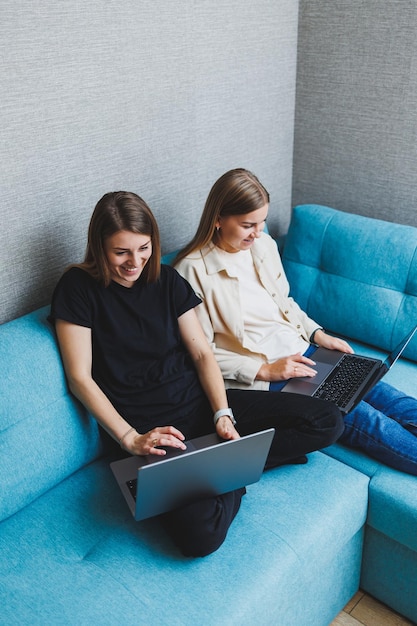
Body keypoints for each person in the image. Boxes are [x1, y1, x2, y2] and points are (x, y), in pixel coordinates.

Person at [49, 191, 343, 558]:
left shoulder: (167, 280)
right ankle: (232, 472)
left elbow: (203, 352)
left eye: (143, 248)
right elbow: (81, 378)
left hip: (199, 402)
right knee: (200, 537)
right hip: (152, 430)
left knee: (327, 420)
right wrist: (130, 439)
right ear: (98, 246)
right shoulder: (77, 289)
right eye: (120, 252)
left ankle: (221, 463)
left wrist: (222, 412)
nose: (134, 262)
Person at [175, 168, 417, 476]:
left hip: (305, 352)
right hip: (269, 375)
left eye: (262, 222)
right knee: (369, 421)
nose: (257, 232)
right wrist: (265, 369)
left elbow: (283, 304)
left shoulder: (263, 246)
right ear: (218, 219)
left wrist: (317, 334)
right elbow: (200, 354)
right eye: (247, 225)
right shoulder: (190, 271)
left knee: (390, 396)